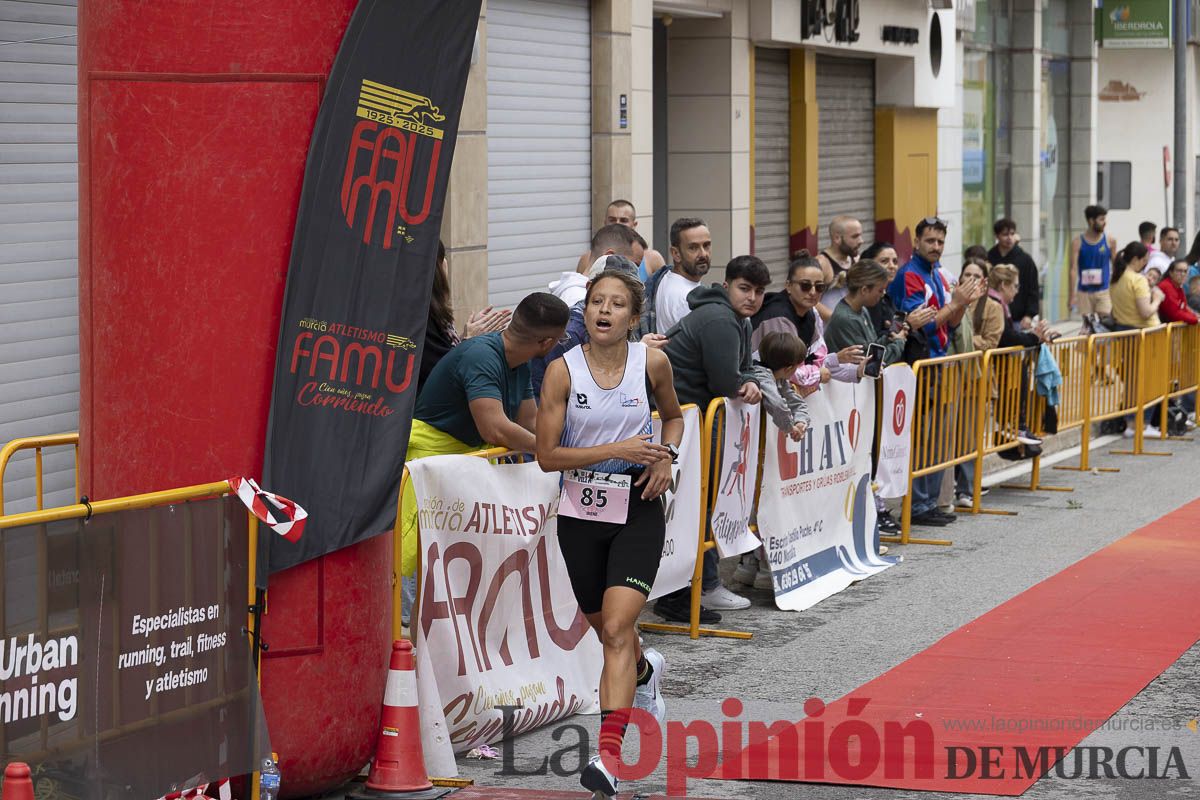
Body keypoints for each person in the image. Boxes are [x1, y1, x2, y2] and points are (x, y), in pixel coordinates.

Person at [535, 269, 683, 800]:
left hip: (638, 505)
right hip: (579, 512)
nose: (604, 311)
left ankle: (611, 758)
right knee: (607, 633)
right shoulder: (561, 372)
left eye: (616, 304)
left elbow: (673, 417)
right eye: (596, 302)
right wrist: (615, 448)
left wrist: (666, 456)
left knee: (618, 629)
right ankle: (645, 674)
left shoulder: (653, 363)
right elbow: (546, 455)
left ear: (633, 317)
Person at [399, 293, 570, 576]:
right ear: (546, 342)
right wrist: (551, 451)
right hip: (431, 465)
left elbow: (529, 420)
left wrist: (569, 445)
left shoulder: (520, 360)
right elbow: (495, 427)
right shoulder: (482, 356)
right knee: (423, 568)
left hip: (463, 468)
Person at [654, 256, 769, 622]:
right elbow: (725, 381)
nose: (751, 298)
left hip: (693, 420)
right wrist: (743, 383)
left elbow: (742, 370)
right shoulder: (720, 319)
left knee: (697, 506)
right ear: (727, 286)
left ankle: (697, 587)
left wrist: (746, 380)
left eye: (759, 291)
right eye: (744, 288)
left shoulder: (736, 317)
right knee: (694, 506)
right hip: (683, 423)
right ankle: (682, 594)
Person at [888, 217, 983, 527]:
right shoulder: (910, 275)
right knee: (922, 435)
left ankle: (928, 502)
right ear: (916, 242)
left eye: (940, 242)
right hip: (921, 362)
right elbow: (925, 324)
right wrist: (954, 303)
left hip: (941, 361)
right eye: (930, 241)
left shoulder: (939, 275)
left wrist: (961, 305)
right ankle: (917, 504)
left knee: (938, 437)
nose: (936, 247)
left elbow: (950, 322)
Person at [732, 331, 812, 588]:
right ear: (789, 367)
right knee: (757, 509)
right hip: (749, 459)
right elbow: (776, 404)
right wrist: (790, 427)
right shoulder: (763, 376)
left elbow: (793, 399)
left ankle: (752, 565)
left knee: (759, 508)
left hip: (758, 461)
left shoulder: (780, 380)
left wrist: (800, 421)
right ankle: (759, 564)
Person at [752, 255, 865, 392]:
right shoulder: (778, 316)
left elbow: (817, 363)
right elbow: (788, 372)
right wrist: (819, 374)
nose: (812, 292)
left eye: (819, 287)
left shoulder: (812, 312)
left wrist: (857, 370)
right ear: (788, 285)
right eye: (805, 286)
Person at [418, 240, 511, 390]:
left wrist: (463, 337)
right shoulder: (421, 317)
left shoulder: (433, 310)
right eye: (444, 257)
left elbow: (444, 351)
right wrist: (469, 340)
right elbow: (443, 372)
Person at [824, 260, 912, 368]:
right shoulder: (846, 318)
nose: (883, 294)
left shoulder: (862, 310)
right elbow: (871, 363)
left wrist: (891, 336)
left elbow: (872, 347)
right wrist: (899, 341)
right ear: (864, 290)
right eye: (880, 290)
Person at [640, 218, 712, 336]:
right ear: (676, 254)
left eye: (706, 245)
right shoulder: (687, 299)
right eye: (693, 247)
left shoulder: (666, 277)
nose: (703, 254)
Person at [552, 223, 645, 308]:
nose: (636, 273)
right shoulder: (578, 300)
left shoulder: (576, 294)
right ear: (609, 257)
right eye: (633, 265)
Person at [575, 200, 667, 282]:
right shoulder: (588, 258)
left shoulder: (653, 258)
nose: (617, 224)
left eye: (623, 220)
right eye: (612, 220)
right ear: (605, 222)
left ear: (634, 224)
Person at [987, 218, 1041, 330]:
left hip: (1019, 320)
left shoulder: (1025, 260)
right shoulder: (989, 257)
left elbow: (1033, 289)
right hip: (993, 317)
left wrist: (1029, 315)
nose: (1009, 238)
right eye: (1005, 234)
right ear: (997, 236)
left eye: (1012, 234)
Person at [1069, 205, 1118, 316]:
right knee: (1088, 326)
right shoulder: (1078, 242)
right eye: (1101, 219)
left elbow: (1116, 266)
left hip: (1104, 291)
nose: (1105, 222)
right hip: (1084, 292)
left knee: (1105, 323)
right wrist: (1072, 296)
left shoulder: (1110, 241)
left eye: (1105, 219)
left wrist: (1116, 290)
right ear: (1091, 221)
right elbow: (1073, 269)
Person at [815, 215, 864, 322]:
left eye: (860, 235)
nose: (861, 241)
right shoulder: (822, 263)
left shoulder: (856, 259)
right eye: (855, 236)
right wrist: (837, 320)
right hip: (830, 330)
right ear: (837, 238)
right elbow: (811, 300)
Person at [1109, 242, 1161, 329]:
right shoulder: (1138, 280)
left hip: (1121, 330)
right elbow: (1146, 313)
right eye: (1144, 260)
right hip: (1143, 333)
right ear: (1135, 259)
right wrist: (1157, 300)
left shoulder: (1115, 278)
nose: (1145, 265)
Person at [1156, 259, 1198, 325]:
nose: (1183, 274)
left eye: (1185, 271)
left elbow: (1183, 308)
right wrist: (1195, 319)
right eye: (1179, 271)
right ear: (1171, 273)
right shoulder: (1166, 286)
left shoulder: (1178, 287)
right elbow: (1174, 313)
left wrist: (1195, 316)